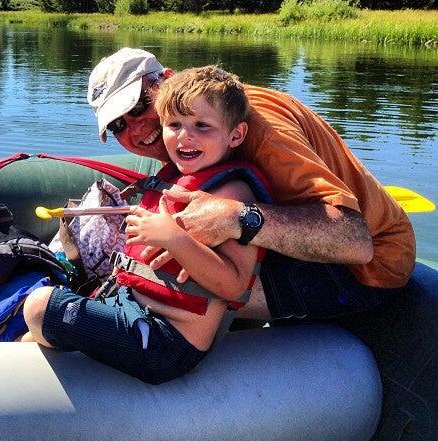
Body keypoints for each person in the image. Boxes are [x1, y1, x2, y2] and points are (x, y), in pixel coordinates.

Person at [86, 48, 415, 322]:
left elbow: (355, 242)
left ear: (167, 81)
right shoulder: (188, 134)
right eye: (117, 125)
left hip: (367, 269)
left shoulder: (262, 132)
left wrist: (237, 218)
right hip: (296, 243)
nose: (135, 129)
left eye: (139, 107)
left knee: (168, 278)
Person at [22, 66, 264, 384]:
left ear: (235, 135)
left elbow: (234, 285)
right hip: (130, 306)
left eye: (201, 126)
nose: (184, 135)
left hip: (165, 341)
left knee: (39, 307)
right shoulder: (175, 177)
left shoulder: (234, 193)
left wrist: (175, 239)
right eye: (174, 125)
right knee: (29, 335)